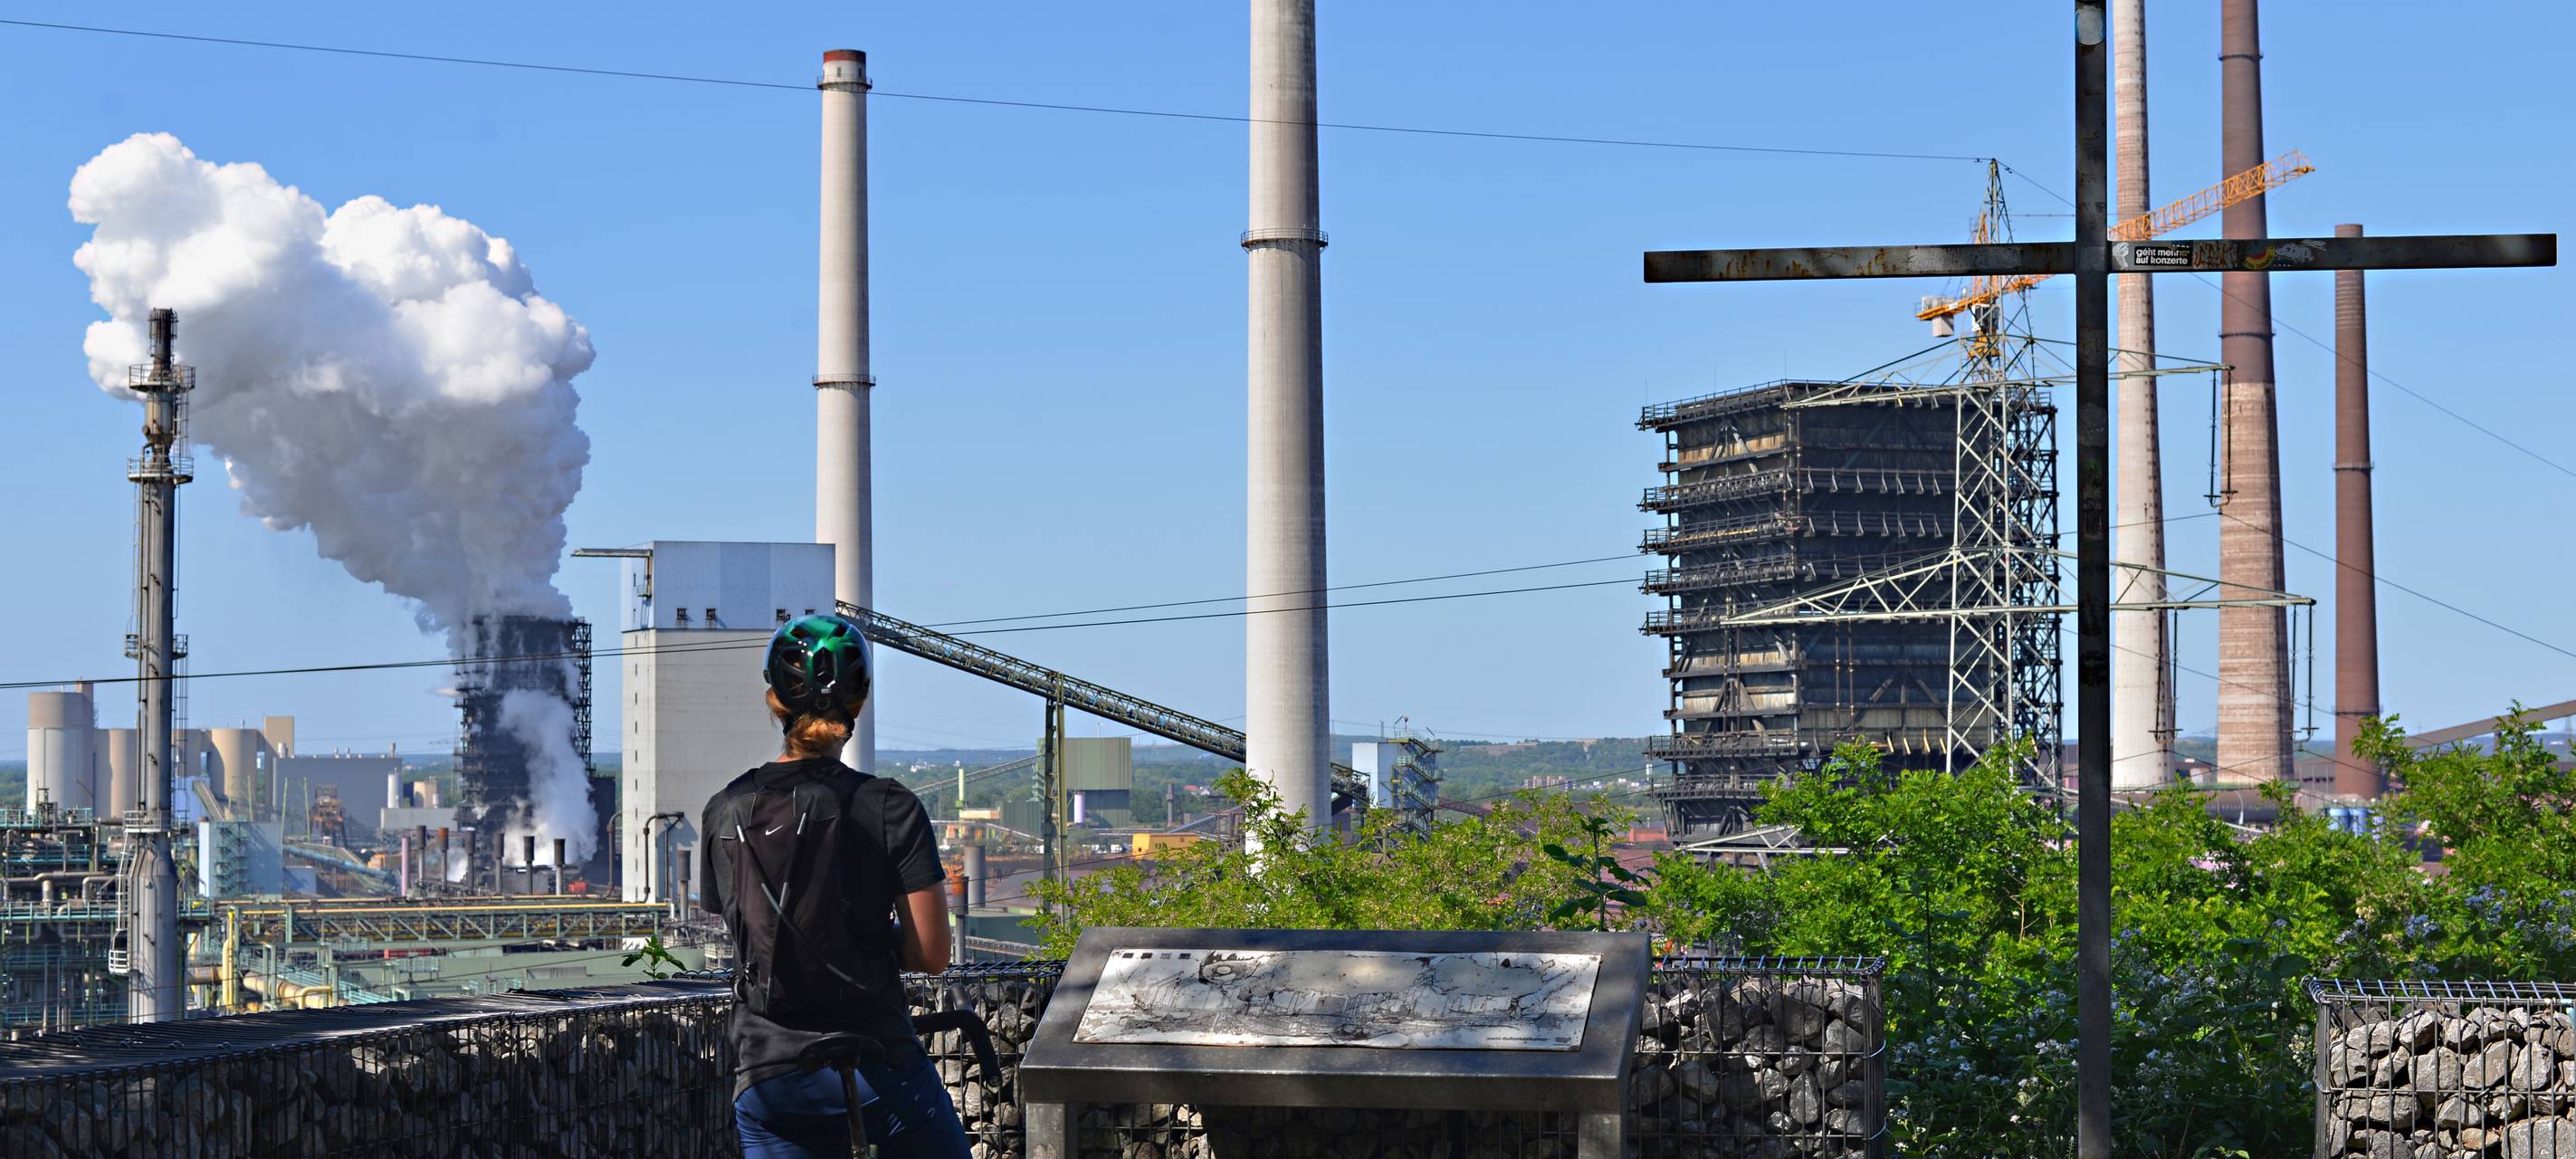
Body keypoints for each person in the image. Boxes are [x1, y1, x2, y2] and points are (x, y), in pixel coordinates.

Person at [700, 612, 970, 1158]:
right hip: (877, 1065)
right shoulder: (891, 806)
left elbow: (742, 928)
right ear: (860, 702)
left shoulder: (725, 808)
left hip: (772, 1078)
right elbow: (932, 954)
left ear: (775, 700)